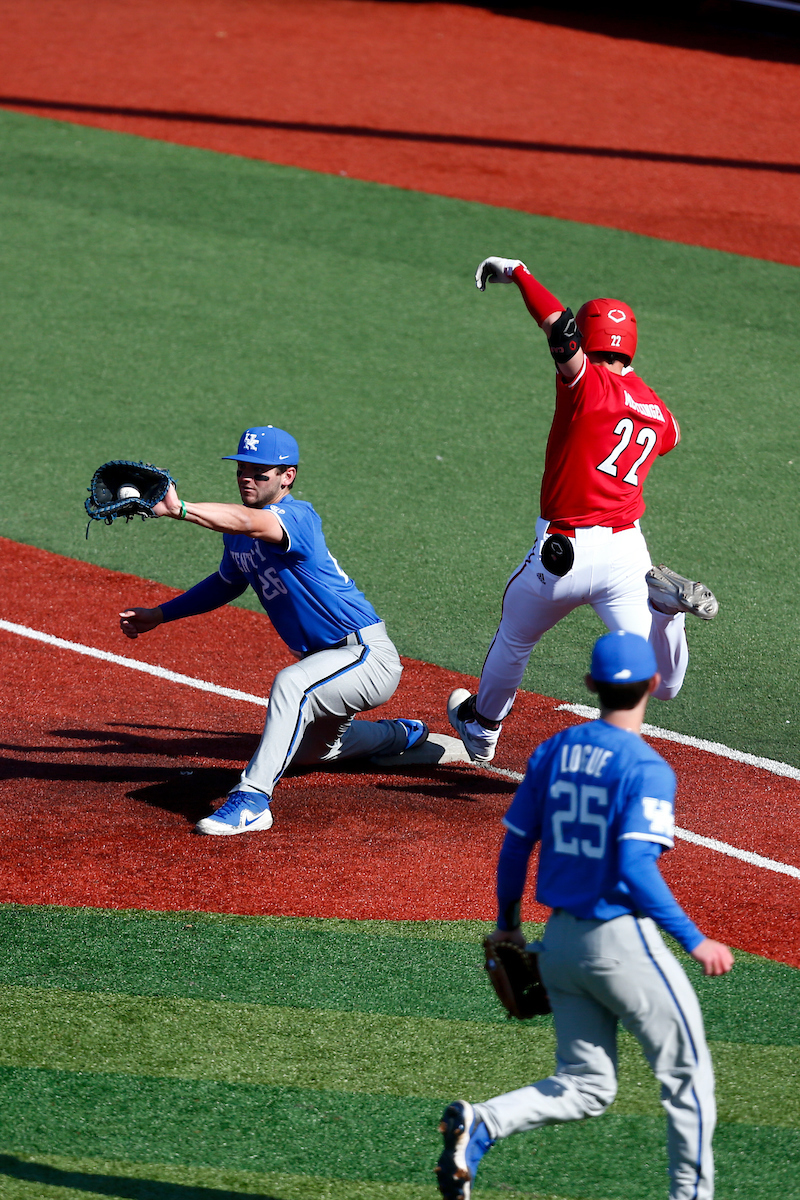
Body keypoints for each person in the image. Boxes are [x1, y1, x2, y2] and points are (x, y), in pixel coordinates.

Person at [435, 629, 734, 1200]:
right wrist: (695, 941)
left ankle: (484, 1123)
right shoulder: (647, 769)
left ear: (591, 686)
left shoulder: (554, 750)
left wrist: (508, 922)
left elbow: (517, 843)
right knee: (688, 1078)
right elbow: (635, 867)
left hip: (561, 945)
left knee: (587, 1085)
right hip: (620, 944)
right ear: (652, 684)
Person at [448, 257, 718, 765]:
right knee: (656, 683)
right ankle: (666, 611)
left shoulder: (585, 385)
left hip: (565, 552)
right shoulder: (654, 409)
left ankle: (482, 727)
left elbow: (560, 328)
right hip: (627, 556)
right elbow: (673, 436)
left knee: (515, 636)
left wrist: (520, 273)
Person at [119, 425, 428, 835]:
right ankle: (397, 735)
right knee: (309, 753)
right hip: (326, 665)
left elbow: (251, 522)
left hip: (365, 657)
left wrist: (182, 509)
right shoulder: (239, 534)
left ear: (287, 476)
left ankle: (252, 800)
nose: (247, 477)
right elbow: (226, 583)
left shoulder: (297, 518)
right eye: (242, 468)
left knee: (291, 685)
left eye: (260, 471)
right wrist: (161, 614)